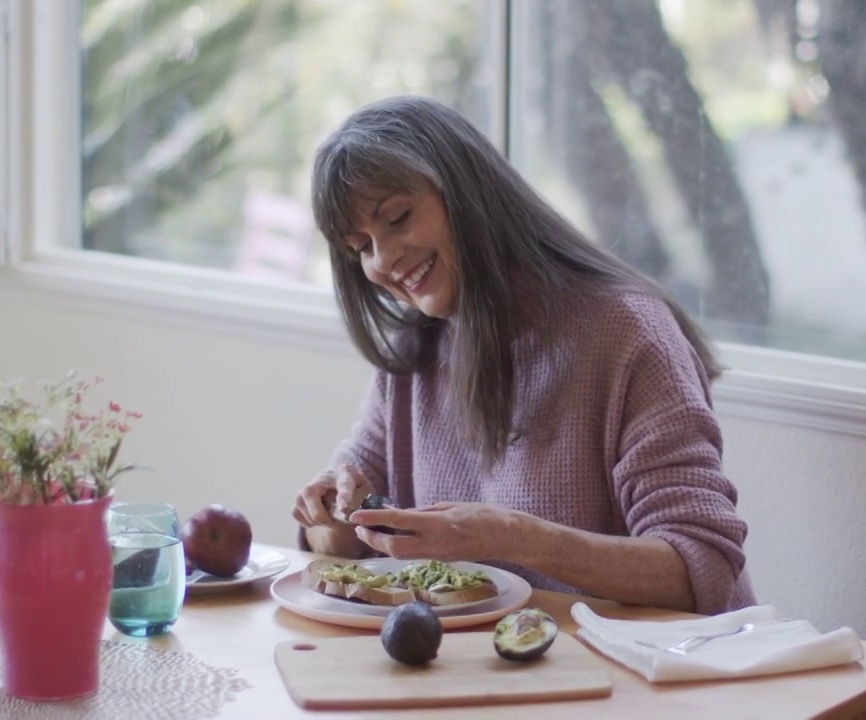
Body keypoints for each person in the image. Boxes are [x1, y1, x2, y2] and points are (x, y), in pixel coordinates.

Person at [291, 95, 755, 614]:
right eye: (361, 247)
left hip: (658, 675)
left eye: (398, 218)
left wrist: (510, 536)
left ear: (464, 191)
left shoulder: (626, 333)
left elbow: (702, 570)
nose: (383, 259)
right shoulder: (413, 356)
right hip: (503, 673)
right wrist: (329, 516)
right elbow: (346, 545)